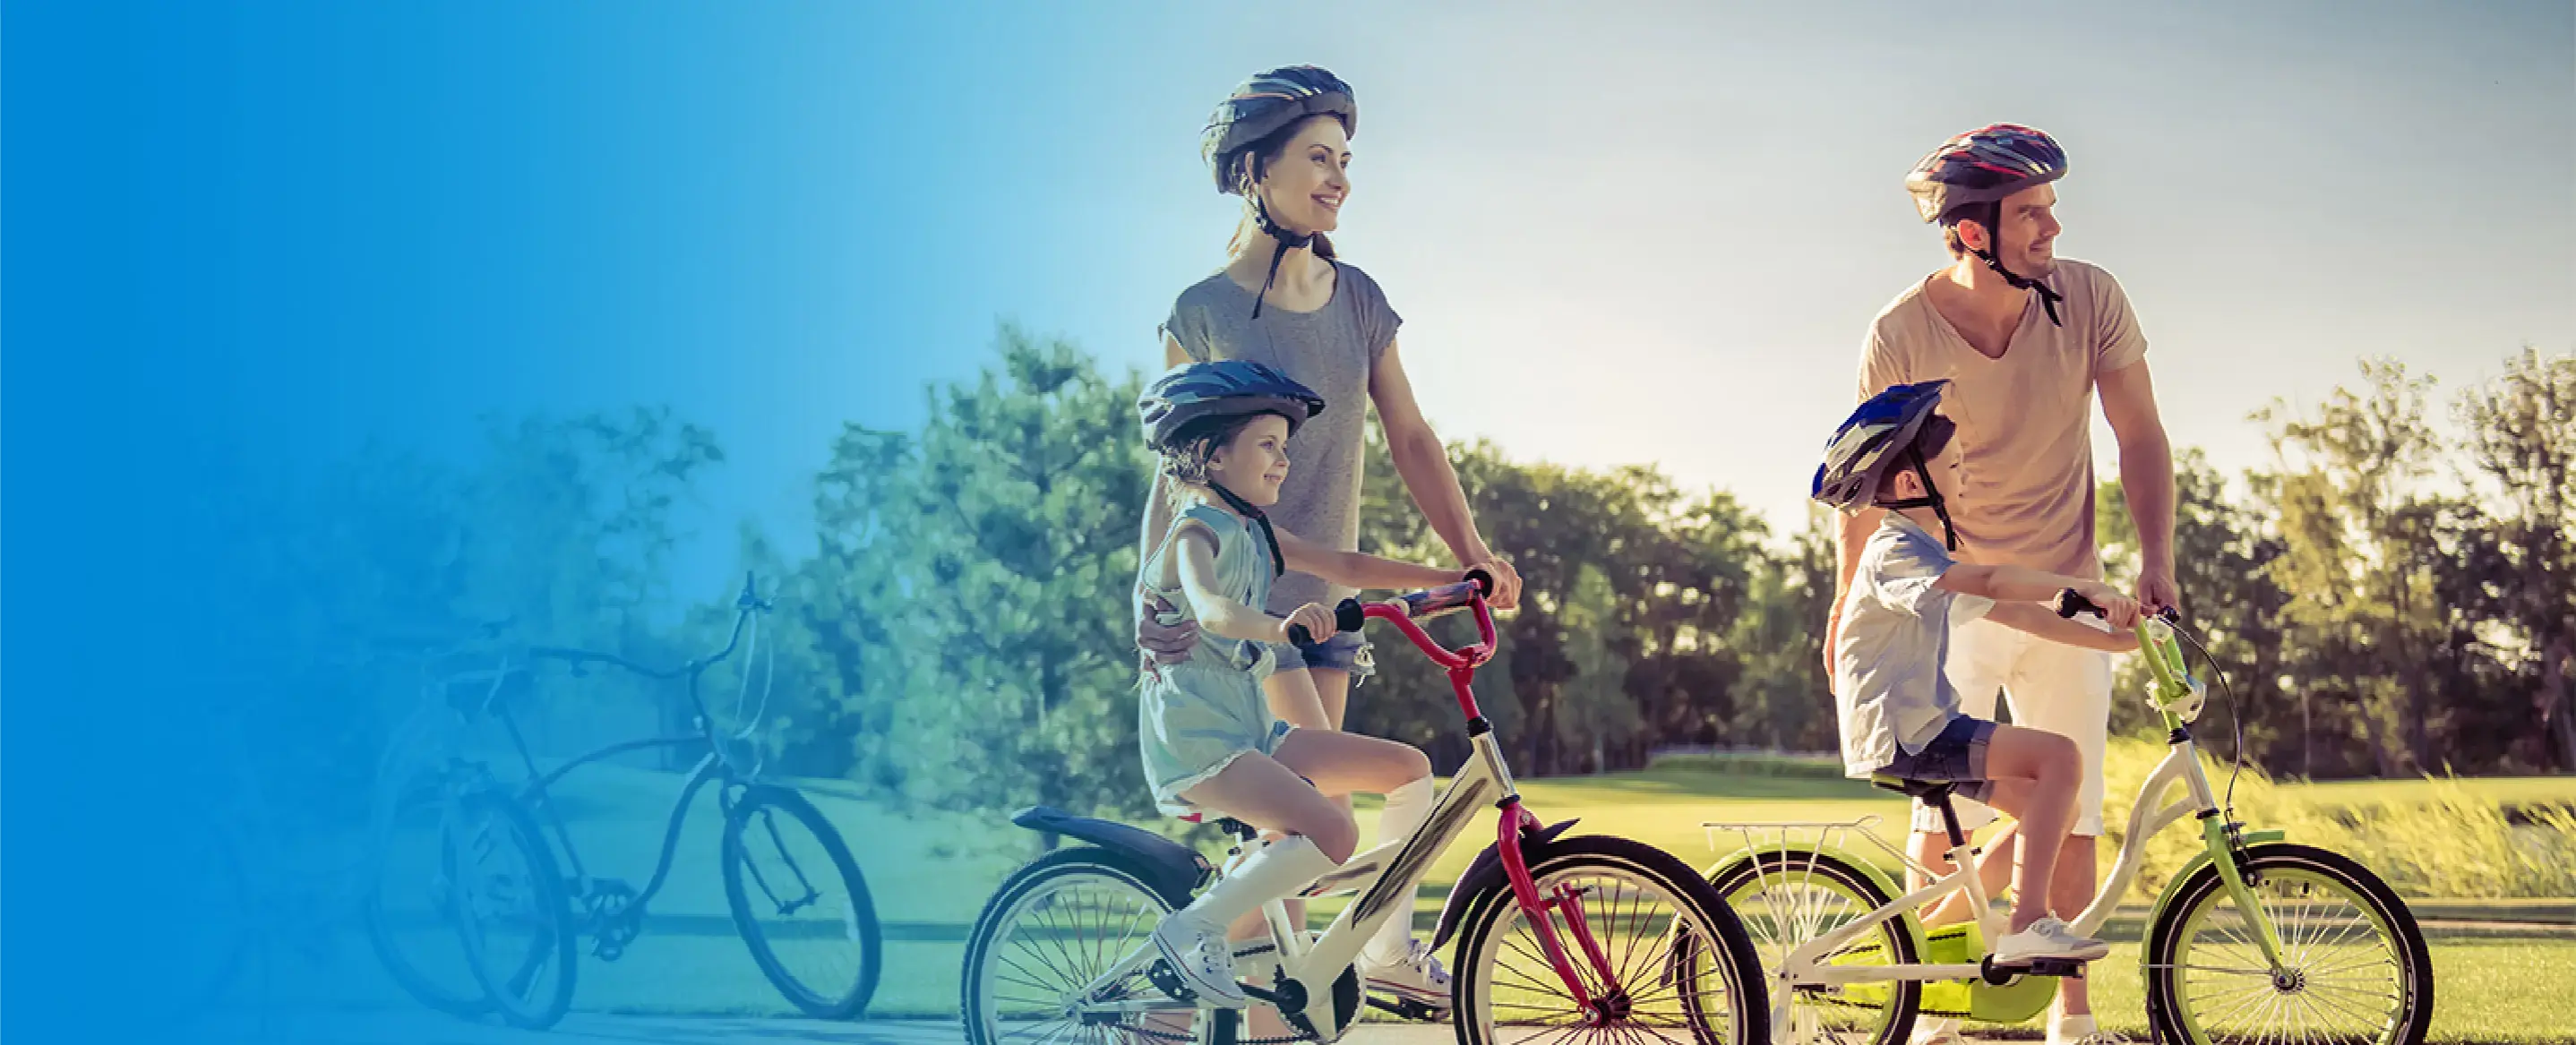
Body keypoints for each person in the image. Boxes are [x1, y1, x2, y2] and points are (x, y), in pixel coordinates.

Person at [1135, 65, 1524, 1005]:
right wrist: (1154, 613)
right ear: (1253, 170)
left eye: (1344, 159)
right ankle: (1243, 983)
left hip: (1323, 601)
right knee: (1313, 835)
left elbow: (1412, 436)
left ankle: (1187, 1003)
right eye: (1317, 157)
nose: (1339, 177)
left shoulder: (1357, 301)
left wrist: (1466, 548)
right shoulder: (1201, 312)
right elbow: (1172, 475)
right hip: (1240, 614)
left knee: (1308, 847)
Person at [1827, 124, 2178, 1045]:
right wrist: (1842, 607)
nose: (2050, 227)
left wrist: (2156, 561)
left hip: (2068, 585)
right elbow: (1866, 488)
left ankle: (2070, 1016)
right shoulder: (1899, 333)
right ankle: (1933, 1010)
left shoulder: (2088, 296)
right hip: (1955, 598)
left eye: (2049, 209)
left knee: (2071, 812)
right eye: (2030, 213)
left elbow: (2136, 433)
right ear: (1971, 231)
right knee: (1938, 824)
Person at [1132, 361, 1473, 1006]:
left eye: (1284, 448)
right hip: (1200, 743)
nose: (1283, 460)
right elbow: (1211, 609)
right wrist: (1279, 625)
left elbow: (1346, 564)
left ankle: (1386, 948)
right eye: (1268, 444)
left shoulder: (1256, 531)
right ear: (1210, 453)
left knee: (1410, 770)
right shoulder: (1195, 530)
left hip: (1252, 730)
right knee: (1334, 833)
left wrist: (1455, 576)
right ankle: (1190, 929)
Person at [1817, 381, 2141, 974]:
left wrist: (2115, 641)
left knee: (2056, 806)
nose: (1967, 475)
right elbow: (1994, 583)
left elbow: (2014, 612)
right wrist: (2082, 587)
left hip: (1925, 727)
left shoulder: (1926, 556)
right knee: (2062, 759)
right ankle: (2025, 925)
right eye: (1957, 465)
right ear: (1915, 484)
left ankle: (1920, 937)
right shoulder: (1896, 552)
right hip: (1906, 732)